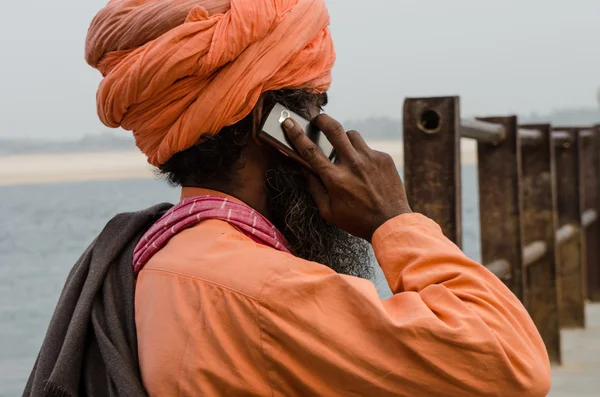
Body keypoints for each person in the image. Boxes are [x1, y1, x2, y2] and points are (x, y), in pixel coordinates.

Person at [25, 0, 551, 396]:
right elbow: (510, 364)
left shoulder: (160, 256)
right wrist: (394, 219)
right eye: (317, 105)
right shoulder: (260, 290)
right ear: (277, 126)